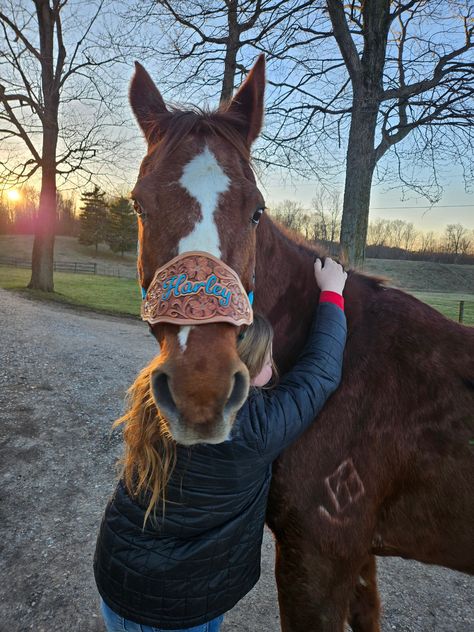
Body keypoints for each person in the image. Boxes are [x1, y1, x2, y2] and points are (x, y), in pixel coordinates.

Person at [94, 257, 347, 632]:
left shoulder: (165, 393)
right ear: (244, 368)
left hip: (137, 582)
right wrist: (332, 293)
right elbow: (319, 375)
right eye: (268, 357)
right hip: (171, 608)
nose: (274, 366)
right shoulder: (255, 427)